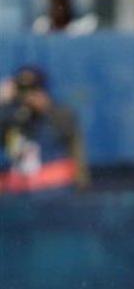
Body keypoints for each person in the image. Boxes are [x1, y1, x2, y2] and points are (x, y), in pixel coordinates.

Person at [0, 66, 88, 194]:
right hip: (17, 192)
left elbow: (76, 150)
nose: (28, 96)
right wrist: (3, 103)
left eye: (34, 90)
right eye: (23, 90)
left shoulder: (60, 114)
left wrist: (44, 109)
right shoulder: (10, 116)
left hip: (53, 191)